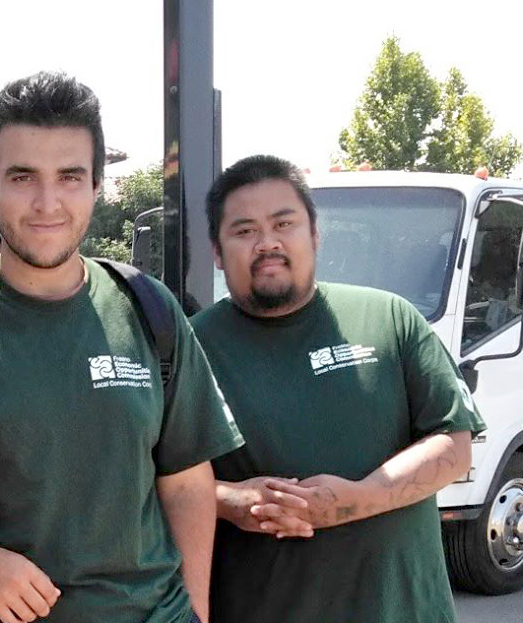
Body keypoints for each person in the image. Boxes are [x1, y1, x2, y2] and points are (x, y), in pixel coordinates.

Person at [0, 71, 244, 623]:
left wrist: (195, 611)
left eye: (70, 176)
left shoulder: (150, 311)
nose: (47, 202)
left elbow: (186, 481)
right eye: (23, 176)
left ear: (97, 186)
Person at [190, 154, 486, 623]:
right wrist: (229, 501)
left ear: (314, 233)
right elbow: (146, 481)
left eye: (283, 223)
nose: (266, 243)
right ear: (215, 249)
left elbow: (455, 445)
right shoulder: (189, 349)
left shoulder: (390, 318)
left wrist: (352, 501)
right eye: (244, 230)